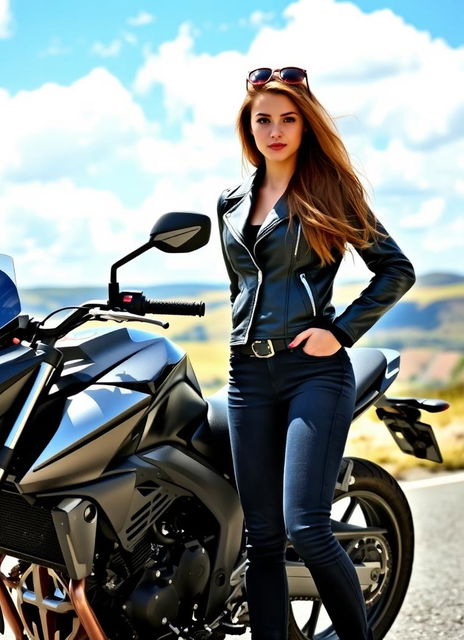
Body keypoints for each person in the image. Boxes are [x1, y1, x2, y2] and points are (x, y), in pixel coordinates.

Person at [217, 66, 415, 640]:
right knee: (261, 538)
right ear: (248, 128)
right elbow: (242, 288)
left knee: (304, 525)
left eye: (288, 119)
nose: (275, 130)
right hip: (246, 373)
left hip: (314, 371)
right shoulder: (230, 201)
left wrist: (342, 332)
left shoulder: (327, 191)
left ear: (305, 126)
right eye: (263, 119)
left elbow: (395, 271)